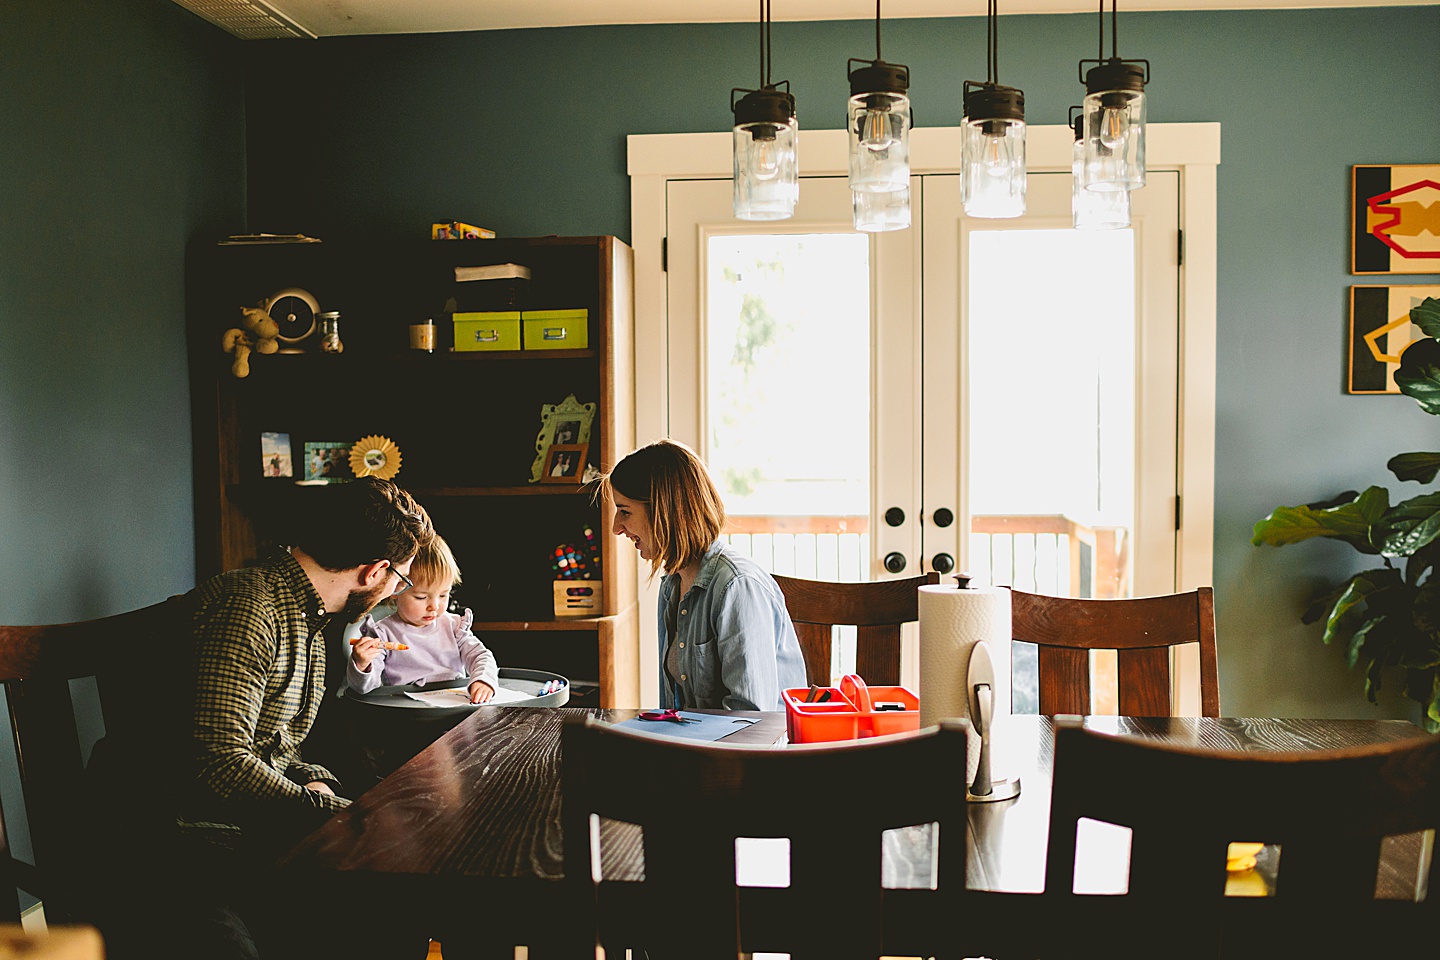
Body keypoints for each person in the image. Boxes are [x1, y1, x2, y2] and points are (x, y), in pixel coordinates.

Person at [83, 476, 435, 960]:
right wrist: (343, 815)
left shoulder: (307, 618)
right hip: (165, 847)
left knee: (393, 904)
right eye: (402, 580)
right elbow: (218, 762)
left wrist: (314, 781)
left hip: (229, 836)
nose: (395, 591)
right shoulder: (249, 606)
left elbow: (274, 746)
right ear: (374, 570)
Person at [598, 438, 805, 711]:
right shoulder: (672, 585)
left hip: (750, 751)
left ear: (665, 511)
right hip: (701, 747)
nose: (616, 527)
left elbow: (749, 719)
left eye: (625, 511)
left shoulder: (737, 587)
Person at [346, 532, 498, 703]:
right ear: (397, 588)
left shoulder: (454, 626)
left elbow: (480, 655)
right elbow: (365, 688)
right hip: (407, 710)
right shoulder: (382, 633)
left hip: (454, 704)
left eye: (443, 595)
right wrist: (362, 664)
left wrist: (483, 680)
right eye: (421, 597)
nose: (434, 606)